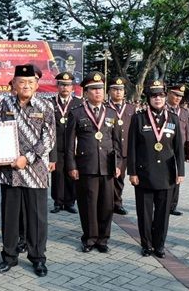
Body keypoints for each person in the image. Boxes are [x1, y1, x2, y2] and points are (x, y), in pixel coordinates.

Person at [0, 64, 56, 277]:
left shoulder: (45, 106)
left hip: (35, 172)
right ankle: (9, 257)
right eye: (21, 81)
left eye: (30, 82)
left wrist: (26, 158)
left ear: (37, 84)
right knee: (10, 218)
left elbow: (48, 140)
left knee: (37, 219)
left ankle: (38, 257)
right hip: (9, 172)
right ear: (14, 84)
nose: (26, 85)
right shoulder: (4, 103)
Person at [65, 71, 122, 253]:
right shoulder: (77, 113)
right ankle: (89, 238)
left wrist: (119, 165)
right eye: (93, 89)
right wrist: (72, 166)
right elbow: (69, 144)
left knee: (106, 205)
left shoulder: (112, 113)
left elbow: (117, 142)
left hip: (107, 166)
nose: (98, 92)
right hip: (86, 166)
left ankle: (103, 239)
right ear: (86, 92)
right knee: (88, 204)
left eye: (100, 89)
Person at [128, 80, 185, 258]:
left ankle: (159, 245)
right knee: (144, 214)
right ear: (148, 98)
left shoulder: (173, 119)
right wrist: (132, 172)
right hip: (144, 173)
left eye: (160, 95)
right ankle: (146, 244)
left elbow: (178, 149)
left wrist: (180, 172)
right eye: (154, 96)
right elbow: (131, 148)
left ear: (165, 97)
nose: (158, 99)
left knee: (162, 214)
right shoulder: (138, 118)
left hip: (167, 175)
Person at [49, 72, 80, 214]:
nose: (65, 88)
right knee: (57, 174)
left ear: (72, 87)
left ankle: (70, 202)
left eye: (68, 85)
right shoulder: (50, 103)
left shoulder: (78, 103)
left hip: (73, 146)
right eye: (62, 85)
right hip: (56, 146)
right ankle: (57, 201)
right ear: (58, 86)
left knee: (71, 173)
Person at [107, 76, 136, 216]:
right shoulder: (105, 107)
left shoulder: (131, 108)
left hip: (124, 150)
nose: (118, 92)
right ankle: (106, 203)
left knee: (119, 179)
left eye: (120, 89)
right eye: (114, 89)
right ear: (109, 91)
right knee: (107, 179)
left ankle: (117, 204)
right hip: (107, 150)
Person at [165, 83, 189, 216]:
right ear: (168, 93)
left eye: (180, 96)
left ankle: (172, 206)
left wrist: (187, 152)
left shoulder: (184, 112)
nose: (178, 98)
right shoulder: (161, 109)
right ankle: (163, 203)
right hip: (165, 147)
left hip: (178, 149)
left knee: (177, 177)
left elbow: (187, 133)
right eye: (175, 94)